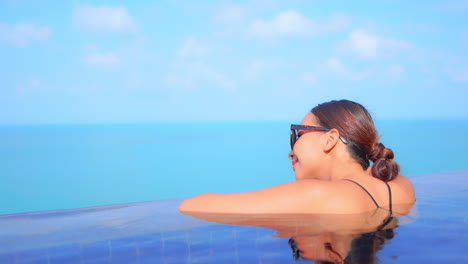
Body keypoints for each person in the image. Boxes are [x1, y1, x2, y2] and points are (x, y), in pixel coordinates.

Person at [179, 99, 415, 215]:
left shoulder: (315, 194)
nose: (291, 151)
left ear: (329, 139)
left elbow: (191, 206)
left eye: (299, 135)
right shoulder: (401, 186)